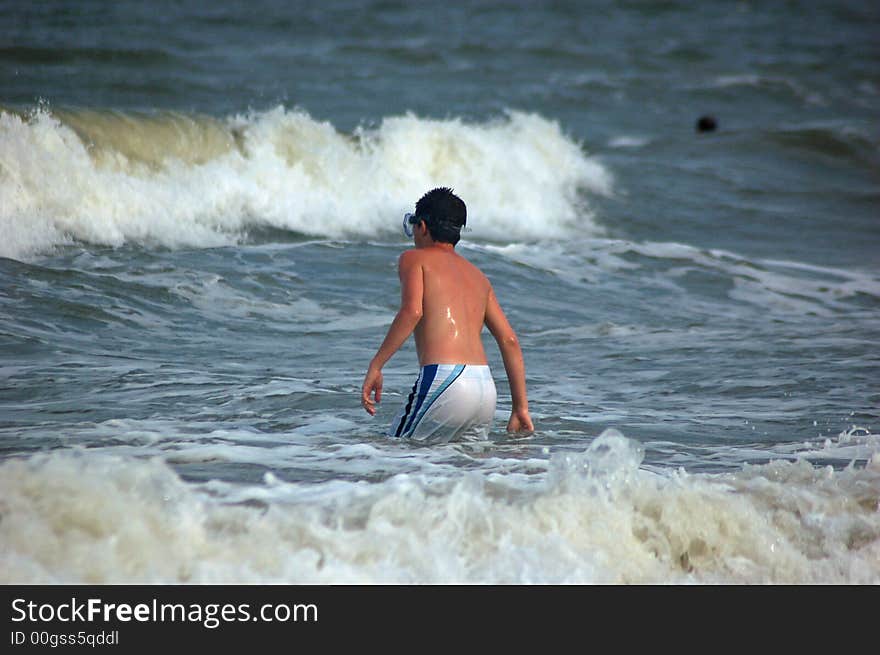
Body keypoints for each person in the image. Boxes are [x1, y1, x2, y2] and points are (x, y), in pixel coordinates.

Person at [361, 187, 534, 442]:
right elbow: (509, 340)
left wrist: (376, 366)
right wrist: (521, 407)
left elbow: (412, 312)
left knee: (391, 449)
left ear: (422, 226)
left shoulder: (414, 259)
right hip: (485, 390)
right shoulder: (479, 277)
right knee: (460, 470)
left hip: (445, 381)